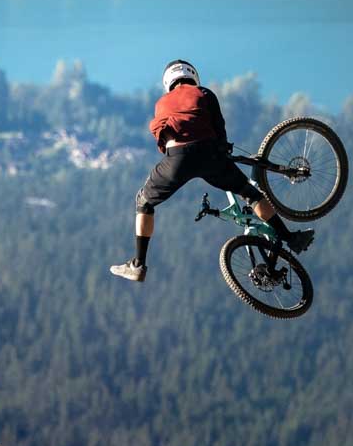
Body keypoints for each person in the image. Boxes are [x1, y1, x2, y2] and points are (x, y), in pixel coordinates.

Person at [110, 59, 314, 282]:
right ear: (193, 76)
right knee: (250, 194)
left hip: (176, 158)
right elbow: (219, 126)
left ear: (168, 81)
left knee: (144, 202)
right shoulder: (204, 93)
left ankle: (138, 264)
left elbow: (162, 141)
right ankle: (290, 237)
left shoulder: (162, 102)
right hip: (209, 153)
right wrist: (222, 150)